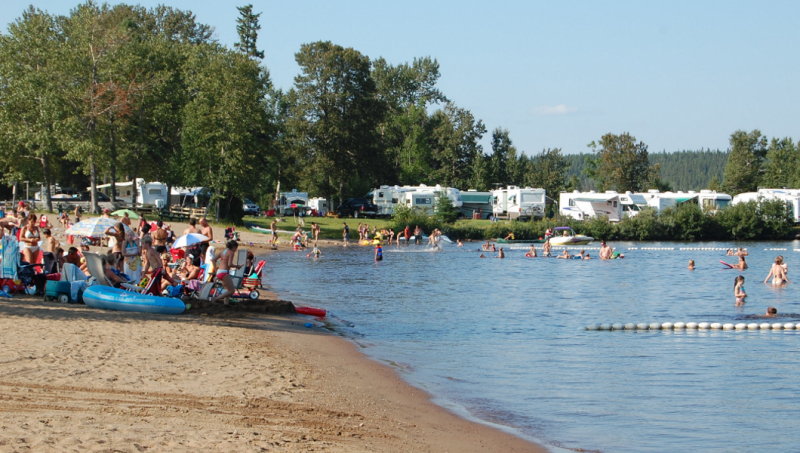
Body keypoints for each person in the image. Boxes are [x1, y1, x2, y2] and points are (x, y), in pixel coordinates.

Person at [210, 241, 244, 305]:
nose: (236, 250)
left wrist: (215, 270)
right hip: (224, 273)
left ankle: (226, 304)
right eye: (236, 248)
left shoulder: (223, 251)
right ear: (233, 247)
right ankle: (216, 299)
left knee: (228, 290)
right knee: (232, 291)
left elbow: (213, 260)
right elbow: (229, 264)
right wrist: (237, 266)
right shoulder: (231, 252)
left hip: (219, 272)